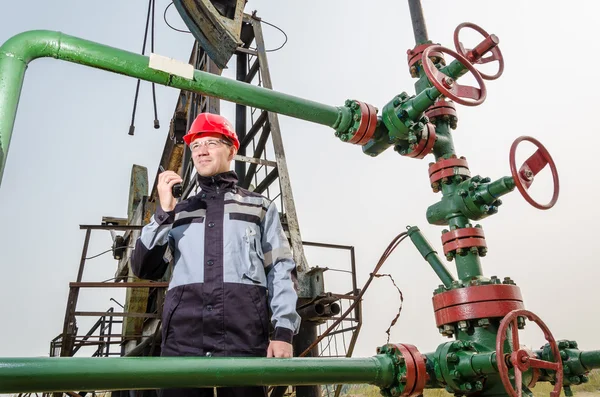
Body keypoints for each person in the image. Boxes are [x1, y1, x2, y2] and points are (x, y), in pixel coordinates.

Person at [131, 112, 301, 397]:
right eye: (196, 145)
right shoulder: (178, 212)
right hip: (183, 342)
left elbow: (281, 269)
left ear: (232, 150)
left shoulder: (259, 207)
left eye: (211, 142)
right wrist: (164, 213)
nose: (202, 151)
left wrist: (283, 332)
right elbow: (143, 268)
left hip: (243, 339)